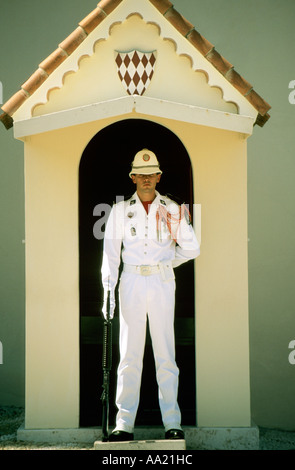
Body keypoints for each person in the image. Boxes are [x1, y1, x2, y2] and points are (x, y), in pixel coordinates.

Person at [101, 148, 200, 442]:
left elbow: (192, 248)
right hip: (131, 280)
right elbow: (110, 255)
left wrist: (167, 262)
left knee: (165, 354)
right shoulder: (120, 211)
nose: (146, 180)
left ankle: (172, 422)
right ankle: (123, 424)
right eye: (140, 175)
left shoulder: (172, 209)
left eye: (151, 174)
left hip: (160, 281)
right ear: (133, 178)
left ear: (159, 176)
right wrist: (108, 291)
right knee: (129, 355)